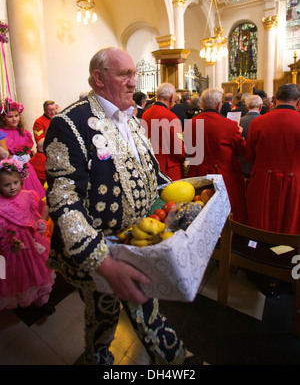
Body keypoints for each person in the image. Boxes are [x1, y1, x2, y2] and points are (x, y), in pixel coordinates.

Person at [44, 47, 196, 365]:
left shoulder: (133, 120)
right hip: (97, 249)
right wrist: (104, 262)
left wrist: (191, 197)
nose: (132, 82)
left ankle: (168, 358)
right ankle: (99, 354)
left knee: (142, 307)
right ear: (99, 78)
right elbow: (64, 198)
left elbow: (153, 174)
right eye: (124, 73)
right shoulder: (68, 123)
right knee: (104, 309)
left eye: (133, 74)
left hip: (135, 241)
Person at [185, 88, 247, 223]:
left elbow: (188, 149)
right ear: (219, 104)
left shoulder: (190, 123)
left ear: (202, 104)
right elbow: (242, 151)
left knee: (199, 213)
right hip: (224, 175)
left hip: (197, 174)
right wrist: (239, 134)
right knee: (225, 213)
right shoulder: (230, 125)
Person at [0, 158, 55, 311]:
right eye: (6, 185)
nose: (12, 188)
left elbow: (34, 214)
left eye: (15, 183)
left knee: (35, 268)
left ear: (21, 181)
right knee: (15, 274)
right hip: (10, 247)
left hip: (30, 240)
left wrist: (39, 223)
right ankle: (21, 297)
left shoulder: (27, 195)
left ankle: (41, 297)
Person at [246, 83, 300, 234]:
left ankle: (257, 253)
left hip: (263, 181)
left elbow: (249, 156)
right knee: (291, 226)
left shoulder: (257, 122)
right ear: (298, 101)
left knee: (261, 226)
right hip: (295, 183)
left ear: (274, 100)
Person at [0, 98, 45, 203]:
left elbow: (28, 149)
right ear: (3, 118)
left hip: (26, 169)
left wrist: (28, 156)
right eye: (10, 117)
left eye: (16, 116)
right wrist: (13, 158)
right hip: (10, 172)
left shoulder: (24, 132)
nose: (14, 119)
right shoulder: (2, 133)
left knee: (35, 197)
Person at [142, 82, 186, 181]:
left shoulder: (146, 114)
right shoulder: (171, 117)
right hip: (168, 169)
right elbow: (178, 150)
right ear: (171, 98)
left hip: (151, 166)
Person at [239, 94, 263, 178]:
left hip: (242, 162)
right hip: (259, 163)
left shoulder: (239, 120)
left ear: (246, 106)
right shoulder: (264, 121)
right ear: (260, 106)